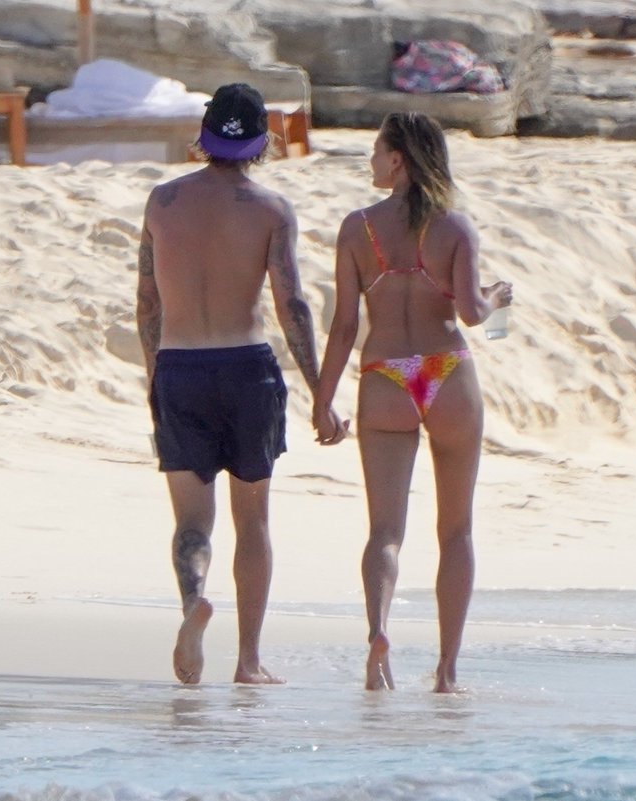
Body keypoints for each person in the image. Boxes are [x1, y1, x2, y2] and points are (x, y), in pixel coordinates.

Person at [137, 83, 344, 686]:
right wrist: (319, 393)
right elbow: (293, 305)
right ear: (263, 141)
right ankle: (249, 660)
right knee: (253, 521)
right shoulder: (271, 210)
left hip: (181, 367)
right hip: (248, 370)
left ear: (203, 136)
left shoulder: (162, 202)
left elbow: (146, 304)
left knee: (192, 523)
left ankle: (193, 599)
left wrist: (158, 382)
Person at [312, 112, 512, 693]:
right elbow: (475, 315)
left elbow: (344, 325)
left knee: (385, 533)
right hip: (446, 370)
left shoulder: (358, 229)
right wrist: (498, 296)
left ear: (397, 158)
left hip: (384, 374)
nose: (371, 161)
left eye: (376, 150)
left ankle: (378, 631)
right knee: (456, 531)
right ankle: (447, 671)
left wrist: (324, 402)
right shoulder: (455, 227)